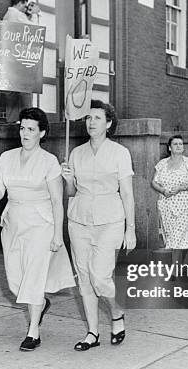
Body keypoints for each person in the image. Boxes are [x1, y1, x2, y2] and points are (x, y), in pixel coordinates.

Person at [0, 107, 75, 351]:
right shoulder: (7, 158)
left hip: (41, 224)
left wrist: (57, 234)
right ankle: (41, 303)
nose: (25, 133)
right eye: (22, 128)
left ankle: (33, 331)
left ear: (41, 133)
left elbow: (57, 200)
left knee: (33, 278)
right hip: (13, 222)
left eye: (31, 130)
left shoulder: (49, 161)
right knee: (17, 282)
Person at [61, 100, 136, 351]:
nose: (91, 122)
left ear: (108, 124)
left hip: (110, 220)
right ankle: (92, 332)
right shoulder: (77, 153)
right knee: (84, 277)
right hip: (79, 220)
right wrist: (69, 180)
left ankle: (116, 314)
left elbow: (127, 193)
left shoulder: (119, 153)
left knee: (100, 277)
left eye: (97, 118)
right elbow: (71, 192)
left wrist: (131, 228)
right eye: (88, 118)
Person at [151, 135, 188, 249]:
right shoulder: (162, 163)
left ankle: (177, 261)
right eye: (175, 144)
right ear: (169, 148)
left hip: (184, 203)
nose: (178, 146)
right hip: (166, 203)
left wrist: (180, 188)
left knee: (180, 234)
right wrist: (163, 190)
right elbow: (154, 182)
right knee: (168, 233)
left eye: (181, 144)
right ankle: (174, 260)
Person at [2, 0, 40, 123]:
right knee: (25, 91)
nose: (26, 7)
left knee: (12, 93)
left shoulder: (8, 15)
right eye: (25, 4)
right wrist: (34, 14)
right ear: (21, 2)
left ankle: (12, 121)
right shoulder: (16, 14)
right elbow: (35, 31)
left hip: (10, 61)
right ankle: (29, 120)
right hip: (21, 60)